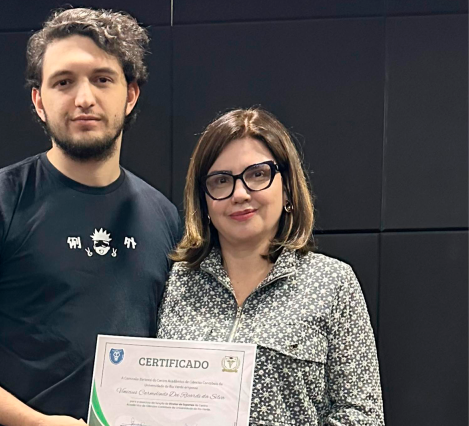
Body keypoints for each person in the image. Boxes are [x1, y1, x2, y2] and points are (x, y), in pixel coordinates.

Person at [0, 8, 180, 426]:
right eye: (63, 82)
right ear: (39, 101)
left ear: (130, 95)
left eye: (102, 79)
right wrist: (37, 423)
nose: (84, 98)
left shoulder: (164, 216)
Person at [158, 108, 384, 425]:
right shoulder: (176, 282)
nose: (239, 194)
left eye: (257, 175)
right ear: (204, 200)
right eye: (221, 181)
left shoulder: (332, 283)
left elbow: (362, 416)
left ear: (287, 188)